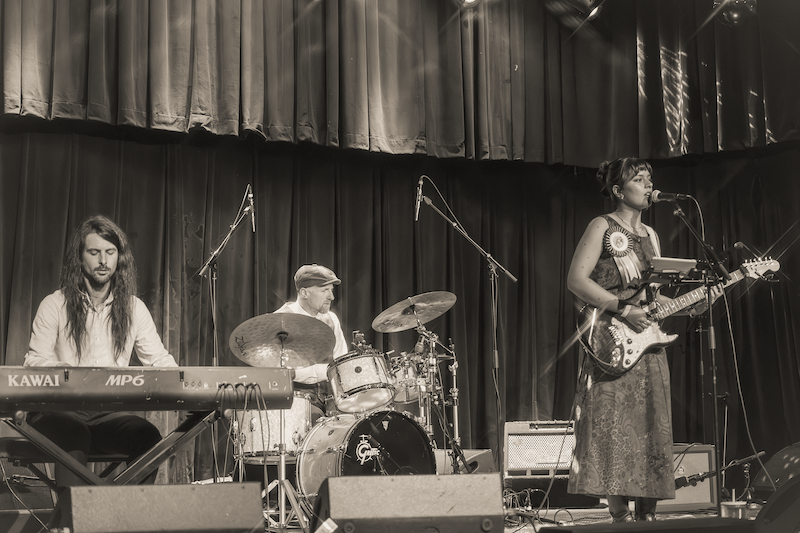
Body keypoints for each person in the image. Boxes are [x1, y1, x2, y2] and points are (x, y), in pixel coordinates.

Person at [565, 158, 716, 522]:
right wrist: (622, 308)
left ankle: (647, 517)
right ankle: (618, 516)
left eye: (650, 179)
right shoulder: (602, 226)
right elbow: (576, 281)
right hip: (611, 342)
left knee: (650, 426)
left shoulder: (651, 234)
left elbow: (653, 297)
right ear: (618, 191)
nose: (648, 185)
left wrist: (689, 303)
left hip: (648, 346)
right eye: (639, 179)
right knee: (612, 426)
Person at [23, 215, 178, 496]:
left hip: (106, 416)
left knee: (148, 436)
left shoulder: (134, 308)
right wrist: (69, 373)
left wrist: (187, 380)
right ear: (80, 257)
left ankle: (128, 514)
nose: (103, 260)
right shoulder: (54, 304)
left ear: (120, 257)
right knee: (73, 431)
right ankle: (74, 516)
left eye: (110, 252)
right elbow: (33, 362)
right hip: (57, 413)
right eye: (94, 252)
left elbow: (159, 360)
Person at [274, 264, 349, 417]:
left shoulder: (331, 319)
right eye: (324, 290)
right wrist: (327, 371)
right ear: (304, 293)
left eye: (331, 290)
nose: (331, 297)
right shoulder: (281, 321)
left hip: (330, 396)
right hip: (295, 398)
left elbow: (341, 361)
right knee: (316, 419)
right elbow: (284, 371)